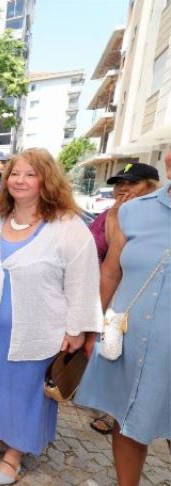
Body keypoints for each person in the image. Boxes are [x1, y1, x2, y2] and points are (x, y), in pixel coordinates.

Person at [0, 148, 103, 485]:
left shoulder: (67, 227)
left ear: (47, 180)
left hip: (39, 331)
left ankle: (16, 453)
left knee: (25, 393)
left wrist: (78, 329)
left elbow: (84, 281)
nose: (20, 180)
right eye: (15, 173)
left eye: (30, 174)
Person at [74, 180, 170, 486]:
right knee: (125, 416)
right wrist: (90, 325)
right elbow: (111, 271)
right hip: (128, 338)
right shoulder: (133, 211)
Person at [87, 162, 159, 436]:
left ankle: (120, 414)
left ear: (152, 188)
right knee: (112, 355)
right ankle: (109, 405)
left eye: (132, 183)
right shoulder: (107, 215)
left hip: (134, 299)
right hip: (104, 293)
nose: (123, 189)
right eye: (120, 184)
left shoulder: (147, 220)